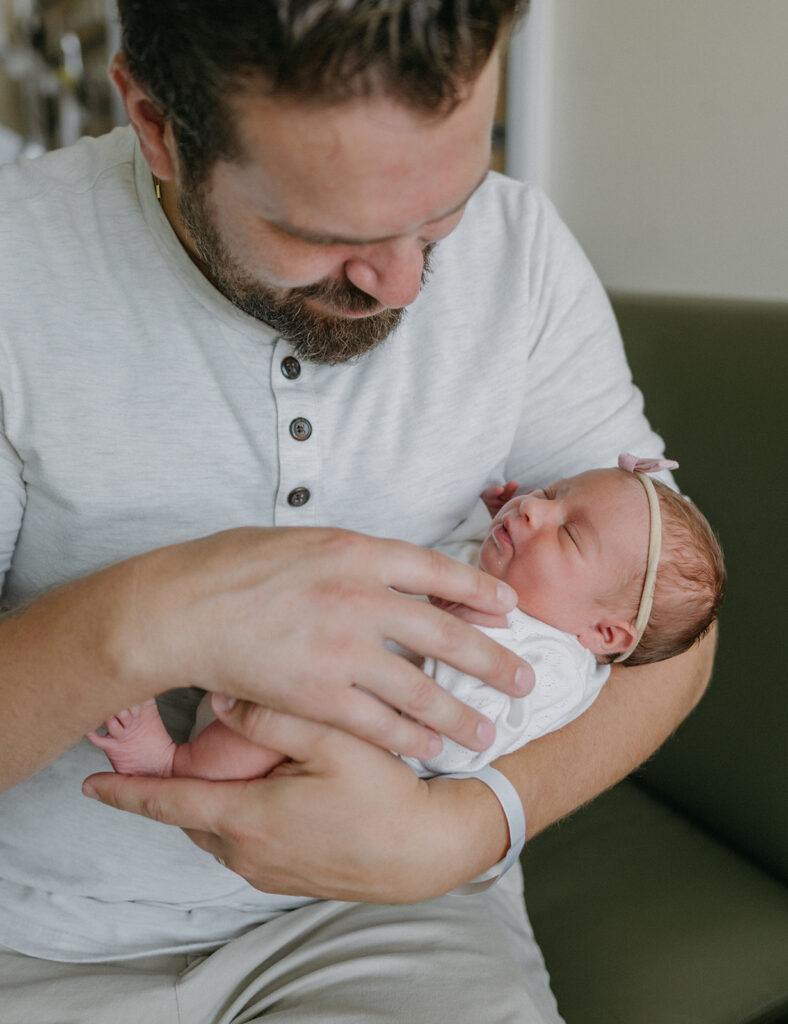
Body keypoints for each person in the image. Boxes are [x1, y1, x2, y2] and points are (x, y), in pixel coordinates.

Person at [0, 3, 717, 1022]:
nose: (403, 282)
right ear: (156, 126)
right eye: (325, 234)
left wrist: (466, 829)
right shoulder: (14, 271)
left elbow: (666, 631)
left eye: (441, 214)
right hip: (32, 939)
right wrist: (145, 618)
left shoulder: (519, 251)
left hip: (385, 922)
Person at [87, 457, 725, 781]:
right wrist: (494, 511)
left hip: (338, 739)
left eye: (569, 536)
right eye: (553, 493)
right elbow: (467, 546)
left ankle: (171, 767)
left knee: (268, 727)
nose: (534, 510)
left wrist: (480, 621)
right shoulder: (512, 570)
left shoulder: (556, 666)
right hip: (309, 654)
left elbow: (465, 741)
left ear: (603, 634)